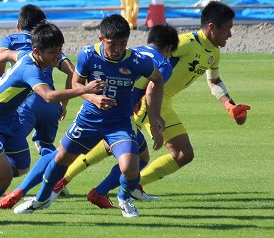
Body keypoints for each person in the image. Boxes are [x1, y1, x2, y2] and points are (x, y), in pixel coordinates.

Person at [14, 14, 165, 218]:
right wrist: (93, 99)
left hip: (119, 122)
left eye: (123, 43)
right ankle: (41, 199)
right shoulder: (88, 55)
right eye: (112, 44)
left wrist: (155, 115)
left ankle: (124, 197)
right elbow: (77, 84)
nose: (118, 49)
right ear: (101, 39)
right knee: (60, 160)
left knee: (130, 167)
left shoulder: (137, 61)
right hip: (89, 119)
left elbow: (157, 79)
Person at [0, 23, 104, 224]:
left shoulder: (26, 56)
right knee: (3, 179)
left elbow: (8, 54)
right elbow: (48, 96)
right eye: (53, 52)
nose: (58, 56)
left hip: (9, 119)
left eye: (60, 50)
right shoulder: (31, 71)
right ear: (37, 51)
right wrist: (84, 89)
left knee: (21, 167)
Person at [48, 23, 180, 206]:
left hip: (95, 105)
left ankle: (68, 184)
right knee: (136, 157)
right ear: (168, 49)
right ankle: (111, 192)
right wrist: (155, 120)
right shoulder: (162, 64)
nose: (118, 48)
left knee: (101, 151)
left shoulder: (135, 51)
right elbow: (151, 91)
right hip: (121, 113)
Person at [0, 4, 76, 206]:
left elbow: (3, 57)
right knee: (43, 149)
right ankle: (48, 182)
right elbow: (72, 72)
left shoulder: (14, 40)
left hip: (24, 106)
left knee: (17, 162)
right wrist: (66, 103)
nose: (56, 54)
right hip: (47, 102)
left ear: (18, 25)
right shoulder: (48, 46)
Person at [134, 1, 250, 190]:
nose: (230, 34)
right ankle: (69, 179)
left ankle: (134, 185)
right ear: (212, 27)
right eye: (228, 28)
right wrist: (136, 92)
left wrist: (229, 106)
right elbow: (150, 56)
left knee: (183, 154)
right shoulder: (186, 43)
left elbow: (214, 81)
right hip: (149, 100)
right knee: (109, 145)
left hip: (164, 102)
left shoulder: (214, 52)